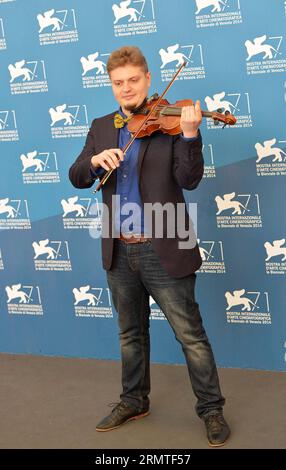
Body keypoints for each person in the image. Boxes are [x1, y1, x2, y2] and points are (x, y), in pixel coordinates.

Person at [69, 46, 230, 447]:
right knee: (130, 334)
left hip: (164, 248)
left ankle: (211, 410)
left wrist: (191, 134)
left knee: (190, 336)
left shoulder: (172, 121)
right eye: (118, 83)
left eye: (133, 80)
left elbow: (189, 179)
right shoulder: (102, 126)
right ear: (112, 85)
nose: (126, 88)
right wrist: (92, 162)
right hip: (119, 252)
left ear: (148, 79)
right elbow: (76, 176)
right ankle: (133, 400)